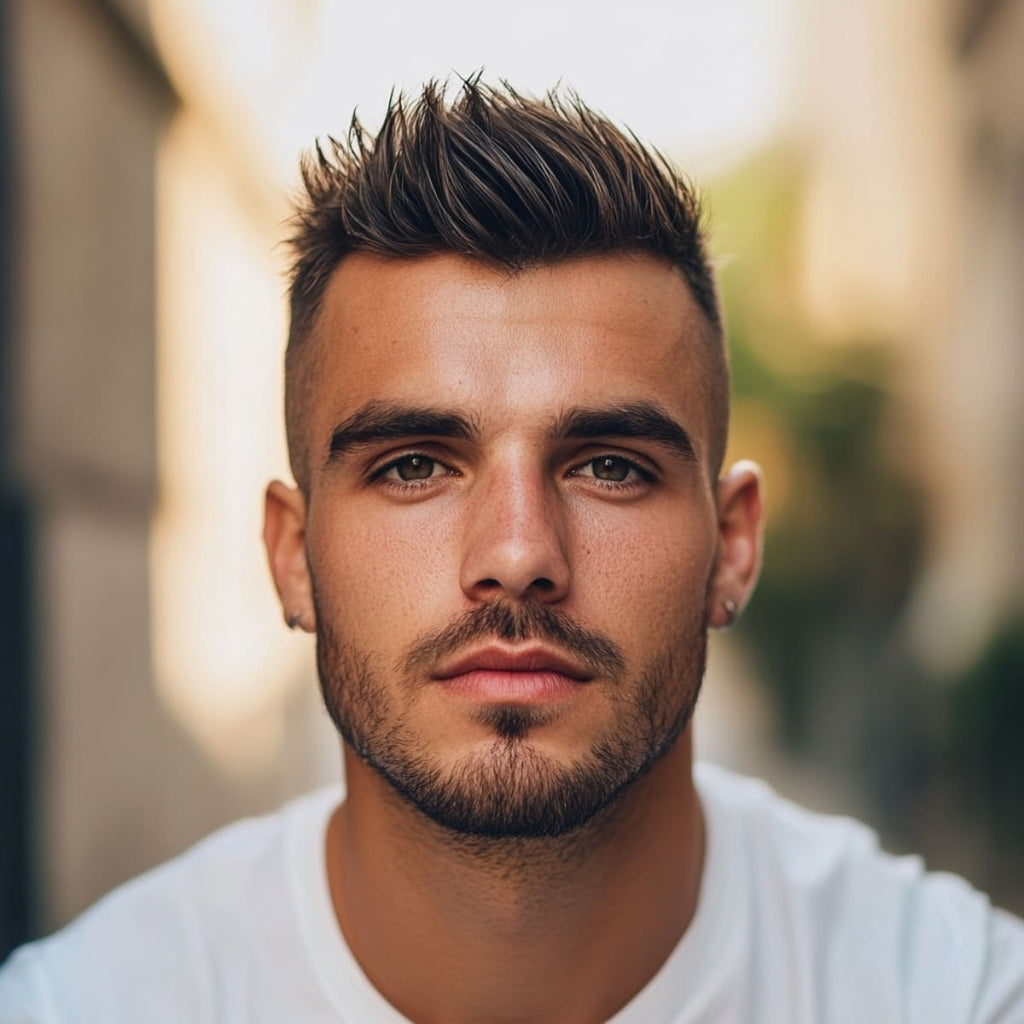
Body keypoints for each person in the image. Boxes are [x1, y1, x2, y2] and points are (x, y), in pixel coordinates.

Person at [1, 79, 1022, 1024]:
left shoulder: (951, 993)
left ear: (733, 547)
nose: (520, 551)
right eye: (413, 465)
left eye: (610, 466)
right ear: (292, 554)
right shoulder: (84, 1004)